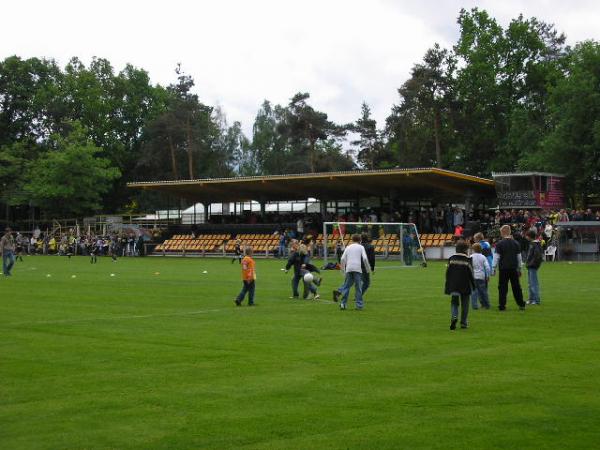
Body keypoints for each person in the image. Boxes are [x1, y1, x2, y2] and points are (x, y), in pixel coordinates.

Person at [333, 234, 371, 310]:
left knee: (346, 287)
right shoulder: (361, 247)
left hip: (349, 268)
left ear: (352, 240)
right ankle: (359, 305)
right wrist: (368, 268)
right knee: (358, 288)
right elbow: (365, 259)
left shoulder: (348, 247)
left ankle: (343, 304)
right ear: (360, 240)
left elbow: (343, 258)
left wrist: (343, 269)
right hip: (357, 268)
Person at [492, 225, 526, 311]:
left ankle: (502, 305)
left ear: (502, 232)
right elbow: (519, 258)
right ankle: (521, 304)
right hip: (514, 268)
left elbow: (496, 257)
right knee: (516, 287)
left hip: (503, 268)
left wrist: (493, 268)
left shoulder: (499, 244)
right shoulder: (516, 243)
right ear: (509, 232)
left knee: (502, 287)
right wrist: (520, 268)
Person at [445, 240, 475, 330]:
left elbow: (448, 272)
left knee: (454, 302)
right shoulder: (468, 260)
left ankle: (454, 317)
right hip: (465, 285)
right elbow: (471, 273)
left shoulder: (451, 258)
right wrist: (473, 285)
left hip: (453, 285)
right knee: (465, 304)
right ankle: (463, 323)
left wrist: (448, 284)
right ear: (466, 250)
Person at [525, 229, 544, 305]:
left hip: (532, 266)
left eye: (527, 236)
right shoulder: (533, 244)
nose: (526, 237)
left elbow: (537, 256)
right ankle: (531, 299)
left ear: (529, 236)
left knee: (533, 283)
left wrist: (531, 264)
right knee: (530, 283)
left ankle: (536, 300)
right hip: (530, 266)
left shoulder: (535, 244)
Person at [470, 243, 491, 310]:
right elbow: (487, 267)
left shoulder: (470, 257)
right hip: (481, 277)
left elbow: (469, 267)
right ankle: (487, 305)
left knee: (474, 292)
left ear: (473, 249)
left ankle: (474, 306)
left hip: (473, 277)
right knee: (484, 292)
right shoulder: (483, 257)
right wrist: (487, 275)